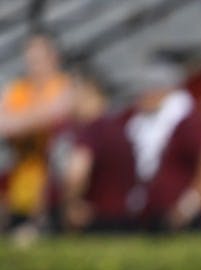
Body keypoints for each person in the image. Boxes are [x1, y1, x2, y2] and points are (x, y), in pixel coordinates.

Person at [124, 60, 201, 232]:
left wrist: (188, 206)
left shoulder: (185, 122)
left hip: (177, 220)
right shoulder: (141, 123)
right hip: (149, 215)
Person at [0, 31, 72, 236]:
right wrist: (33, 117)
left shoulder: (63, 86)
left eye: (39, 59)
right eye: (30, 59)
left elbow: (56, 110)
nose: (33, 65)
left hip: (54, 190)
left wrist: (21, 118)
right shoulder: (19, 89)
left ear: (54, 58)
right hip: (20, 189)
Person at [59, 66, 138, 233]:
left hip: (94, 221)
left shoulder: (91, 130)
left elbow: (77, 173)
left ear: (86, 92)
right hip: (123, 220)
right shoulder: (118, 128)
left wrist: (70, 204)